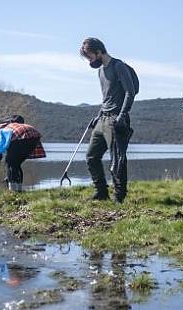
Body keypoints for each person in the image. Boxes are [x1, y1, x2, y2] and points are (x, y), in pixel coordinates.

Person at [80, 37, 137, 203]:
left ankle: (119, 197)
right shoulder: (100, 71)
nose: (90, 61)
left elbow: (130, 92)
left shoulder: (118, 66)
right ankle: (101, 192)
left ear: (99, 52)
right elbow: (107, 98)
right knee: (91, 156)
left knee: (117, 160)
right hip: (102, 118)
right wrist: (97, 116)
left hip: (117, 119)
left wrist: (122, 116)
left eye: (90, 57)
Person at [0, 115, 46, 192]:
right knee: (16, 164)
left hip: (22, 136)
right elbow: (6, 145)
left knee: (10, 163)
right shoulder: (7, 126)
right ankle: (19, 189)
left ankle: (13, 190)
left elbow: (0, 146)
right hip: (34, 135)